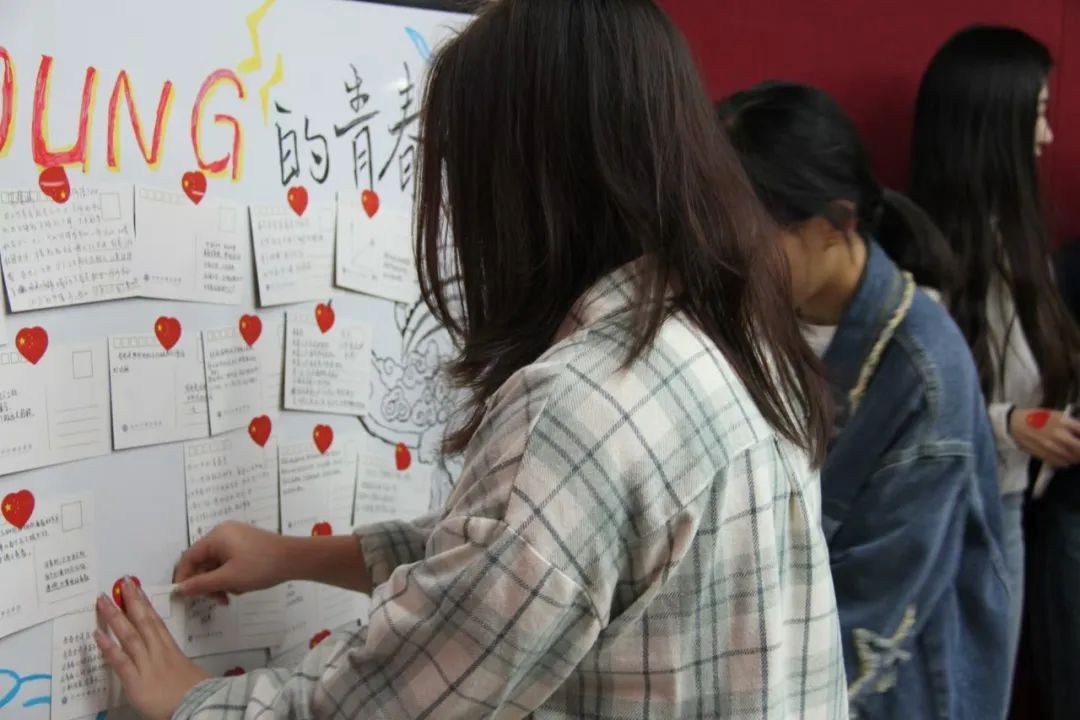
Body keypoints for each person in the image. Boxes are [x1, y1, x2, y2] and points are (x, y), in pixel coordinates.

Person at [93, 2, 848, 718]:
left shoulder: (584, 407)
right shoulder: (738, 336)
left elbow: (390, 702)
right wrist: (299, 556)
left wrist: (191, 699)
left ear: (522, 184)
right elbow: (528, 555)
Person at [719, 82, 1009, 719]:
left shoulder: (922, 375)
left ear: (837, 223)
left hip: (879, 690)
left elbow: (872, 612)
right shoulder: (757, 316)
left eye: (752, 239)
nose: (728, 262)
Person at [906, 26, 1080, 709]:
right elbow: (906, 406)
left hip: (1010, 502)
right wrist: (1012, 423)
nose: (1047, 137)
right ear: (992, 125)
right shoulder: (922, 255)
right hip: (945, 513)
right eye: (1037, 114)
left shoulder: (1020, 238)